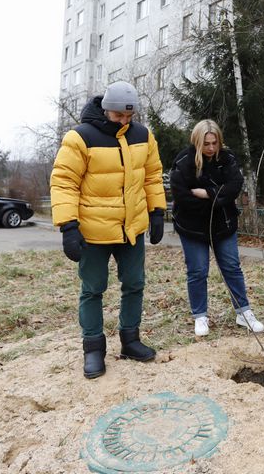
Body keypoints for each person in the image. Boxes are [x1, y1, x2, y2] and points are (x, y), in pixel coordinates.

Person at [50, 81, 167, 379]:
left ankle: (130, 340)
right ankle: (93, 350)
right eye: (119, 117)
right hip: (93, 232)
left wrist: (156, 212)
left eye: (129, 117)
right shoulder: (80, 137)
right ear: (106, 111)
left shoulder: (143, 135)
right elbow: (64, 182)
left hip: (131, 229)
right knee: (92, 290)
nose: (125, 122)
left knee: (135, 284)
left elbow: (152, 176)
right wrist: (68, 226)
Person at [170, 120, 264, 337]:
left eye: (214, 143)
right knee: (198, 271)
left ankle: (243, 312)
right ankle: (200, 316)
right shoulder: (183, 162)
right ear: (197, 142)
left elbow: (234, 186)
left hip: (224, 225)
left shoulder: (227, 158)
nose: (211, 148)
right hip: (192, 227)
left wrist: (208, 193)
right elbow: (182, 196)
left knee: (232, 267)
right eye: (206, 144)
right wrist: (218, 196)